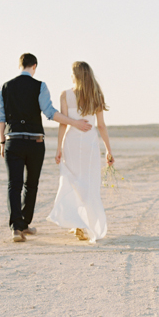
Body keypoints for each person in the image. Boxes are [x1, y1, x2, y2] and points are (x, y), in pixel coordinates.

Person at [0, 53, 92, 242]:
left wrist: (2, 142)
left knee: (13, 185)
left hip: (12, 141)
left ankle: (17, 227)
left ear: (20, 65)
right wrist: (74, 122)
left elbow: (1, 118)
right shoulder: (40, 86)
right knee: (31, 185)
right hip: (35, 143)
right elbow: (50, 113)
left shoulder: (4, 87)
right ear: (35, 66)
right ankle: (24, 223)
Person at [47, 61, 114, 243]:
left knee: (74, 181)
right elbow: (101, 125)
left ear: (75, 75)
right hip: (89, 144)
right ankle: (83, 223)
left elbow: (63, 123)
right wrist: (108, 149)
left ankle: (77, 223)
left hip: (72, 142)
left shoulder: (65, 95)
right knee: (89, 182)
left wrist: (59, 147)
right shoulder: (96, 95)